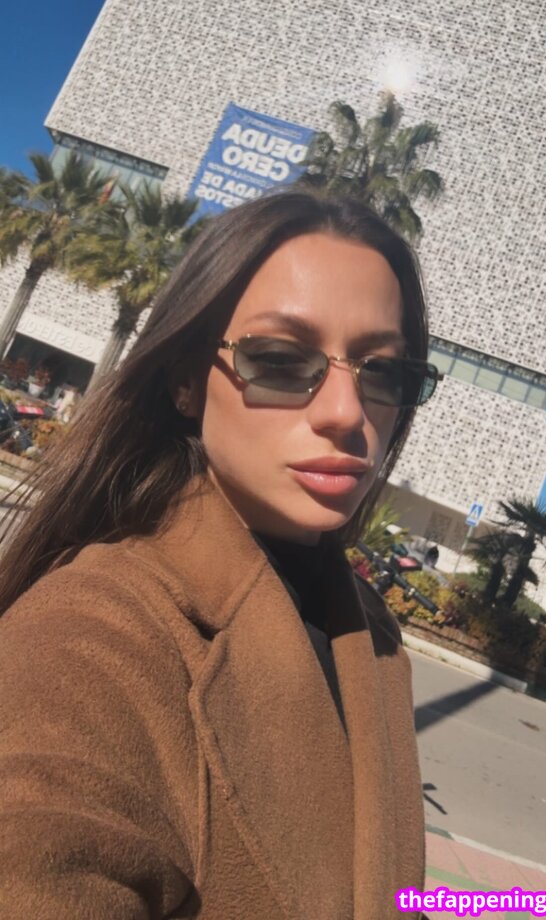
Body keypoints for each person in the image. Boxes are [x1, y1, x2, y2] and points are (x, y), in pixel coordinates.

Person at [0, 186, 441, 919]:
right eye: (280, 359)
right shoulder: (92, 631)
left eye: (382, 371)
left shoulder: (372, 633)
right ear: (185, 380)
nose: (347, 412)